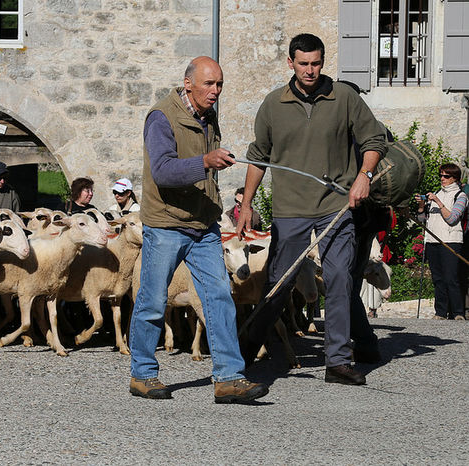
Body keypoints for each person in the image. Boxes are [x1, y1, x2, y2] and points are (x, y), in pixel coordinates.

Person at [236, 33, 387, 386]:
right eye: (303, 63)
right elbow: (258, 157)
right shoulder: (273, 104)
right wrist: (245, 204)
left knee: (337, 280)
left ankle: (337, 361)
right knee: (278, 282)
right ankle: (243, 353)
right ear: (290, 63)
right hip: (290, 208)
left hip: (337, 205)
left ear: (322, 61)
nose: (310, 70)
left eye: (316, 63)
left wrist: (364, 175)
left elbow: (374, 140)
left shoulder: (344, 97)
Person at [130, 55, 269, 404]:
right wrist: (205, 162)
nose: (215, 91)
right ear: (188, 82)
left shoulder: (208, 116)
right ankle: (143, 374)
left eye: (220, 84)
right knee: (153, 299)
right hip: (166, 223)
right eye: (209, 84)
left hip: (203, 223)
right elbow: (162, 172)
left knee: (220, 296)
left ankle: (228, 377)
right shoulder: (161, 117)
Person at [415, 163, 468, 321]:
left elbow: (452, 218)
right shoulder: (437, 192)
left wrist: (438, 201)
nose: (442, 179)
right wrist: (421, 206)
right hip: (432, 241)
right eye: (441, 175)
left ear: (454, 179)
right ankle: (440, 312)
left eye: (446, 176)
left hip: (450, 241)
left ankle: (458, 312)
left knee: (451, 278)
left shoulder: (461, 196)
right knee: (437, 279)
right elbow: (422, 220)